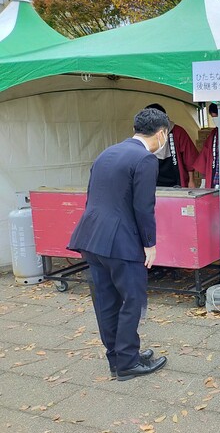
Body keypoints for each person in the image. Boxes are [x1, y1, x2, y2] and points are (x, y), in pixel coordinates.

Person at [67, 108, 169, 381]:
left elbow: (92, 197)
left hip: (91, 238)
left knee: (105, 300)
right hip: (121, 243)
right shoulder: (146, 159)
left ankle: (118, 356)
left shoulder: (107, 153)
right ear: (161, 133)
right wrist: (150, 244)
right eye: (166, 135)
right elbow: (144, 207)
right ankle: (127, 363)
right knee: (132, 299)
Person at [144, 103, 199, 188]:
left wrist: (191, 181)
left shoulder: (177, 131)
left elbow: (189, 157)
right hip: (154, 177)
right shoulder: (145, 133)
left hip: (175, 176)